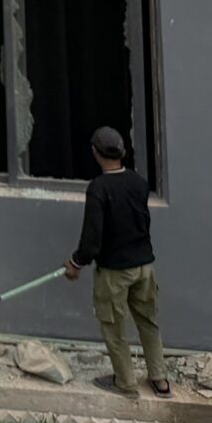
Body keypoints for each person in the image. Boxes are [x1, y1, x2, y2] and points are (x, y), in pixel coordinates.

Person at [61, 125, 166, 398]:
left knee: (114, 326)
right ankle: (160, 379)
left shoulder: (99, 188)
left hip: (115, 273)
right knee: (148, 322)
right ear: (122, 152)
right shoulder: (138, 183)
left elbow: (92, 239)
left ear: (95, 153)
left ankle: (125, 382)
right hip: (145, 267)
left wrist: (75, 263)